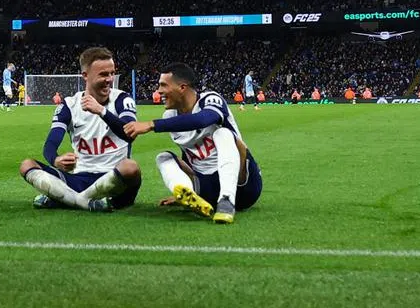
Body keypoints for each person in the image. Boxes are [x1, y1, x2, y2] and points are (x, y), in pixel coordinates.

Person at [125, 62, 263, 224]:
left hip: (243, 187)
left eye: (163, 85)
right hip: (207, 190)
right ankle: (187, 195)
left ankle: (226, 201)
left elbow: (203, 119)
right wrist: (182, 184)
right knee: (163, 157)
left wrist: (151, 125)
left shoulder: (210, 99)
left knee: (223, 133)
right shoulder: (169, 117)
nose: (159, 91)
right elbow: (189, 153)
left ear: (182, 87)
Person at [18, 47, 141, 211]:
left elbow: (129, 134)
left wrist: (101, 111)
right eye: (103, 74)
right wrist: (56, 160)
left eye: (112, 73)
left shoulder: (121, 99)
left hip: (114, 176)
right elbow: (51, 143)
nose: (110, 79)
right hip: (79, 179)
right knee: (27, 165)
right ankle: (88, 202)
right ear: (85, 75)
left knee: (131, 167)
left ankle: (65, 199)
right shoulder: (69, 105)